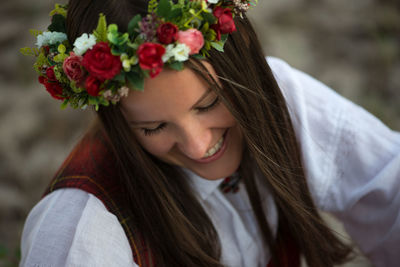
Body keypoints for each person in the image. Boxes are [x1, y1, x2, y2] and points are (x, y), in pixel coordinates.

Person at [19, 0, 400, 266]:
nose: (199, 146)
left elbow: (390, 186)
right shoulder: (81, 226)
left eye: (207, 104)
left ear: (242, 65)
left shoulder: (278, 100)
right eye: (153, 127)